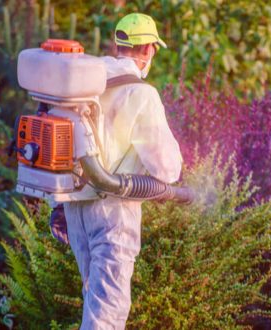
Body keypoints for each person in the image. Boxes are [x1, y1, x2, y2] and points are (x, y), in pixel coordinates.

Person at [62, 13, 182, 329]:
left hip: (74, 207)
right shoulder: (141, 94)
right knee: (109, 314)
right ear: (148, 50)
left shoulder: (85, 84)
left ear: (118, 45)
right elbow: (166, 168)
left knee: (94, 299)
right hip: (112, 209)